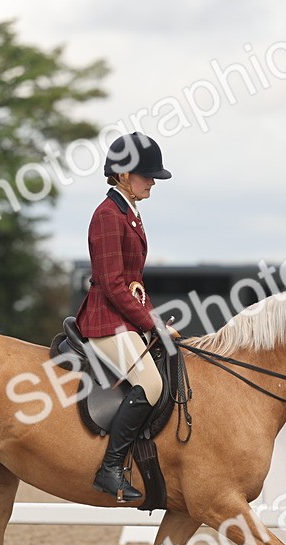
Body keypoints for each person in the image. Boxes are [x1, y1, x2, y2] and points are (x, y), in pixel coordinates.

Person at [75, 132, 177, 502]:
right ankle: (111, 467)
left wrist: (158, 323)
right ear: (122, 175)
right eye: (147, 175)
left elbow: (134, 284)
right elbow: (112, 285)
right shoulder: (106, 216)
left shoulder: (129, 214)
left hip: (123, 316)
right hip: (105, 320)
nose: (152, 181)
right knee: (151, 383)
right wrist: (150, 325)